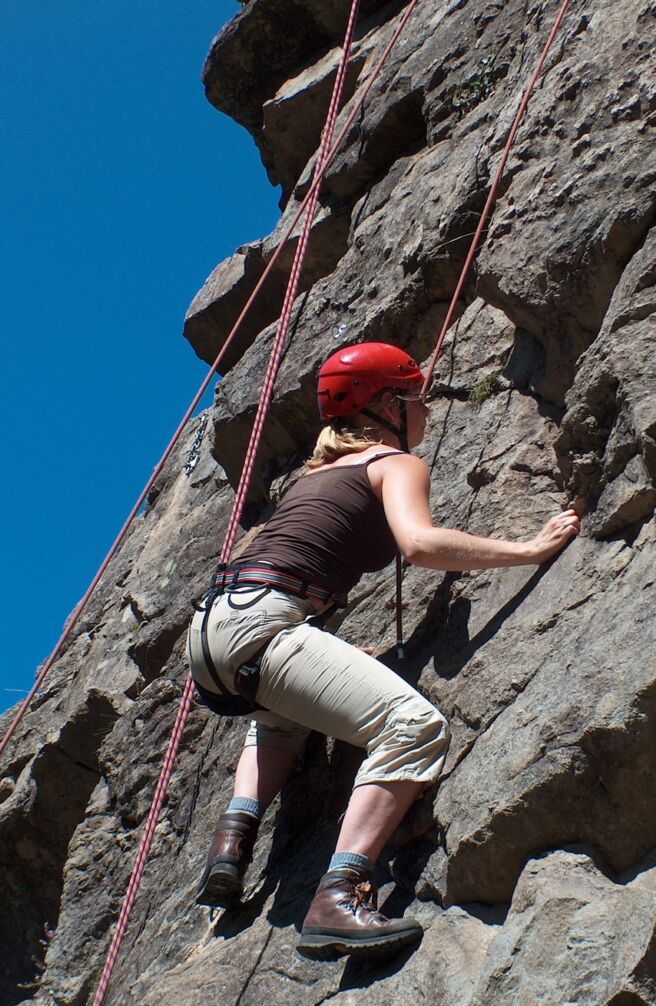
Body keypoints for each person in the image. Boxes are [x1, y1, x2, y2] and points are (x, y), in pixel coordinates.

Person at [187, 341, 580, 961]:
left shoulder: (314, 476)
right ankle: (338, 897)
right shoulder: (392, 462)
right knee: (413, 727)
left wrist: (326, 654)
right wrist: (528, 549)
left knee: (282, 718)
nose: (424, 408)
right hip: (265, 622)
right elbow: (419, 545)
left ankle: (232, 844)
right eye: (416, 396)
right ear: (387, 404)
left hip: (212, 634)